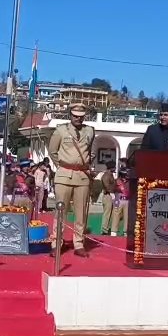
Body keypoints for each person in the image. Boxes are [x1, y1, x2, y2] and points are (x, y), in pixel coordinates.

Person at [48, 103, 95, 257]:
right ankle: (57, 242)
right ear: (70, 115)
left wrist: (86, 164)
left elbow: (90, 151)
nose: (78, 119)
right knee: (61, 211)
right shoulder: (61, 130)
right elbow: (52, 151)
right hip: (64, 175)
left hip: (82, 176)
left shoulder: (90, 131)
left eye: (81, 116)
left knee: (81, 213)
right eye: (75, 116)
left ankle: (79, 243)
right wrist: (62, 165)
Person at [100, 160, 117, 235]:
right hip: (108, 195)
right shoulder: (106, 175)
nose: (115, 168)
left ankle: (106, 228)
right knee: (107, 213)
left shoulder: (110, 174)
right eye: (114, 167)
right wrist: (111, 193)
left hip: (110, 195)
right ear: (111, 168)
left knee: (110, 213)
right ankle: (104, 230)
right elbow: (107, 186)